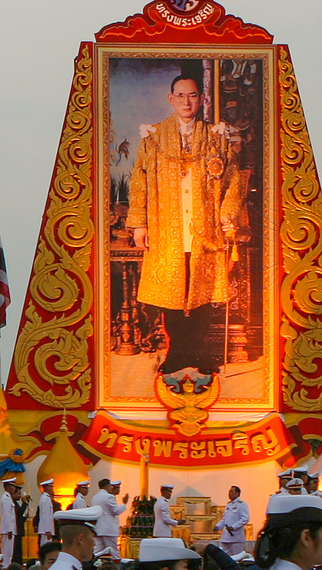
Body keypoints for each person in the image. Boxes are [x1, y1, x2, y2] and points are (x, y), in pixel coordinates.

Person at [125, 72, 245, 379]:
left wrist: (228, 213)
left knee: (203, 294)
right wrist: (139, 225)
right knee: (173, 294)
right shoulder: (153, 137)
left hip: (205, 229)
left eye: (192, 96)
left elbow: (233, 181)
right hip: (168, 229)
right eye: (180, 95)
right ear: (171, 98)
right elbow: (138, 183)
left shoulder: (216, 137)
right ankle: (177, 353)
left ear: (201, 99)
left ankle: (199, 351)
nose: (186, 101)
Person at [91, 479, 129, 559]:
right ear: (107, 486)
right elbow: (116, 511)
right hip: (108, 529)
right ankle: (118, 567)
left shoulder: (95, 497)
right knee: (114, 551)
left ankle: (90, 562)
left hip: (99, 528)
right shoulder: (109, 497)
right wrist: (124, 503)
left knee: (97, 550)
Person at [215, 487, 250, 556]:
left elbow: (245, 518)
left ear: (237, 493)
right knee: (223, 556)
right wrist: (218, 526)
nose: (229, 494)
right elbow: (225, 519)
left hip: (235, 536)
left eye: (231, 492)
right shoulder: (229, 505)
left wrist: (234, 527)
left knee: (237, 556)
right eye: (229, 492)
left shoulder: (242, 504)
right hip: (226, 536)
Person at [0, 479, 21, 569]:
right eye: (12, 486)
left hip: (9, 529)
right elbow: (7, 515)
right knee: (7, 550)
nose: (14, 488)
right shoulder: (6, 498)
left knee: (9, 550)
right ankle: (6, 566)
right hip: (8, 530)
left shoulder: (8, 497)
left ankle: (7, 565)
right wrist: (9, 530)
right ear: (8, 487)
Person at [35, 478, 57, 547]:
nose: (52, 489)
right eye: (50, 487)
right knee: (46, 547)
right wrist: (48, 530)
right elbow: (45, 515)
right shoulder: (46, 499)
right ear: (46, 487)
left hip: (45, 529)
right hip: (46, 530)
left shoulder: (45, 498)